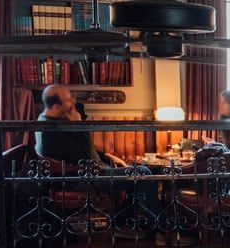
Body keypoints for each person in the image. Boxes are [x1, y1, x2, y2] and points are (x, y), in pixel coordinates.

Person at [35, 85, 162, 235]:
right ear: (56, 106)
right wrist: (78, 125)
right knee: (143, 173)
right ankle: (160, 229)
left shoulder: (49, 121)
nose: (72, 103)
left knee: (137, 176)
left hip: (94, 171)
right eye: (68, 100)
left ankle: (121, 222)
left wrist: (106, 155)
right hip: (85, 178)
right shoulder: (50, 130)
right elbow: (83, 154)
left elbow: (82, 150)